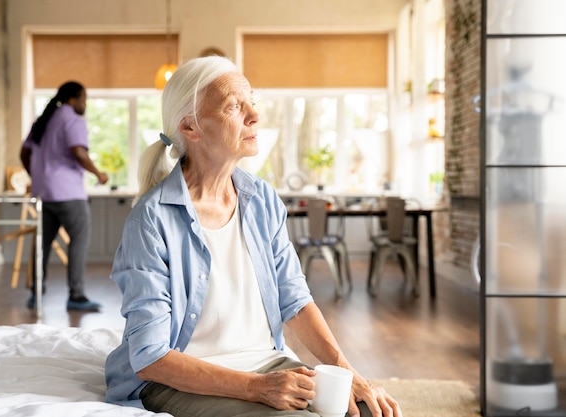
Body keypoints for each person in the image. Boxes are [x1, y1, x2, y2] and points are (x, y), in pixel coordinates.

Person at [105, 56, 402, 417]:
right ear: (190, 127)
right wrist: (255, 388)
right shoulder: (150, 221)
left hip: (268, 364)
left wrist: (349, 373)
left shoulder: (261, 199)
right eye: (234, 106)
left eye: (252, 102)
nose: (254, 116)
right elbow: (151, 358)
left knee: (371, 412)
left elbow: (294, 299)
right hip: (182, 380)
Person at [20, 81, 108, 312]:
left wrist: (37, 175)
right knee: (78, 240)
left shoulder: (43, 121)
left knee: (42, 245)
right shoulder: (72, 120)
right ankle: (76, 295)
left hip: (44, 193)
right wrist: (98, 173)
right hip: (68, 193)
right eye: (83, 99)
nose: (85, 104)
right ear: (72, 99)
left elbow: (24, 152)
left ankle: (36, 293)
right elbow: (78, 151)